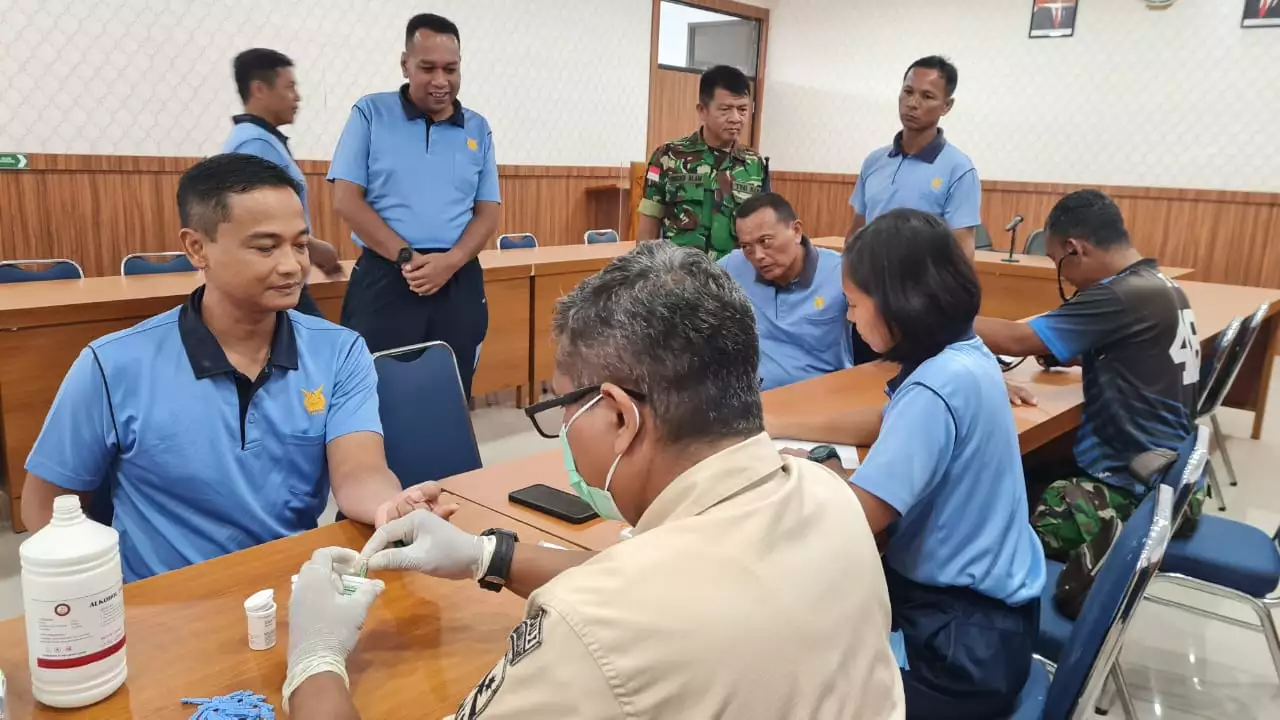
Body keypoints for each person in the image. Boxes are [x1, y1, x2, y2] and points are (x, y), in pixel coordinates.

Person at [282, 242, 906, 719]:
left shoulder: (591, 628)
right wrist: (486, 553)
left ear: (617, 415)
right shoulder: (827, 494)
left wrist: (315, 660)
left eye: (562, 406)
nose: (562, 428)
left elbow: (624, 610)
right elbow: (671, 587)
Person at [21, 154, 448, 582]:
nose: (291, 265)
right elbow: (45, 507)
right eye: (265, 247)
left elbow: (359, 471)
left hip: (290, 590)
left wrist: (391, 507)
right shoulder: (112, 365)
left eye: (300, 244)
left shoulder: (339, 352)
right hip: (164, 608)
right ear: (196, 248)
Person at [772, 209, 1045, 718]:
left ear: (901, 303)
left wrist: (803, 470)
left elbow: (854, 518)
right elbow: (887, 418)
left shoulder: (935, 386)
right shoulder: (964, 355)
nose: (849, 318)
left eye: (853, 305)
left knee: (786, 675)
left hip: (958, 649)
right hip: (994, 620)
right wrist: (773, 426)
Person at [974, 189, 1203, 561]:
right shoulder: (1160, 285)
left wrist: (942, 314)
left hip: (1144, 493)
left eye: (1055, 261)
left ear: (1074, 249)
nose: (1057, 272)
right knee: (1025, 470)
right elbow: (1142, 356)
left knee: (993, 515)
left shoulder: (1119, 294)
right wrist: (1082, 356)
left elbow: (1019, 339)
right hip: (1174, 477)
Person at [328, 13, 499, 398]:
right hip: (387, 275)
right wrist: (407, 257)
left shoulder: (478, 128)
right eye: (428, 68)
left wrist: (450, 262)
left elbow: (487, 211)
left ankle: (450, 460)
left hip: (457, 278)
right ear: (405, 65)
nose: (441, 81)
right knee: (377, 395)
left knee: (452, 393)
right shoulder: (370, 113)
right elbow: (346, 199)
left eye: (451, 69)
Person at [221, 47, 343, 318]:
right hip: (273, 280)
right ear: (259, 89)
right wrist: (313, 247)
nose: (297, 97)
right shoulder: (253, 144)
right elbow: (257, 220)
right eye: (289, 87)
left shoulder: (261, 140)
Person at [846, 56, 980, 260]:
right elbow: (856, 235)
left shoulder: (959, 169)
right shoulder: (874, 161)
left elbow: (962, 252)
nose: (912, 103)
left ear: (946, 106)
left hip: (923, 289)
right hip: (870, 285)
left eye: (927, 96)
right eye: (908, 92)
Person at [720, 192, 853, 389]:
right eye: (747, 246)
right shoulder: (734, 265)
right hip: (745, 396)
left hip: (819, 397)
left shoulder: (841, 273)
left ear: (797, 231)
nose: (757, 256)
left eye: (765, 241)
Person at [637, 65, 768, 260]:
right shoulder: (668, 156)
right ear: (702, 110)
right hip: (681, 278)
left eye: (742, 110)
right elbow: (648, 229)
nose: (735, 118)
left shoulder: (755, 165)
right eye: (725, 109)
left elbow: (764, 228)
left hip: (733, 281)